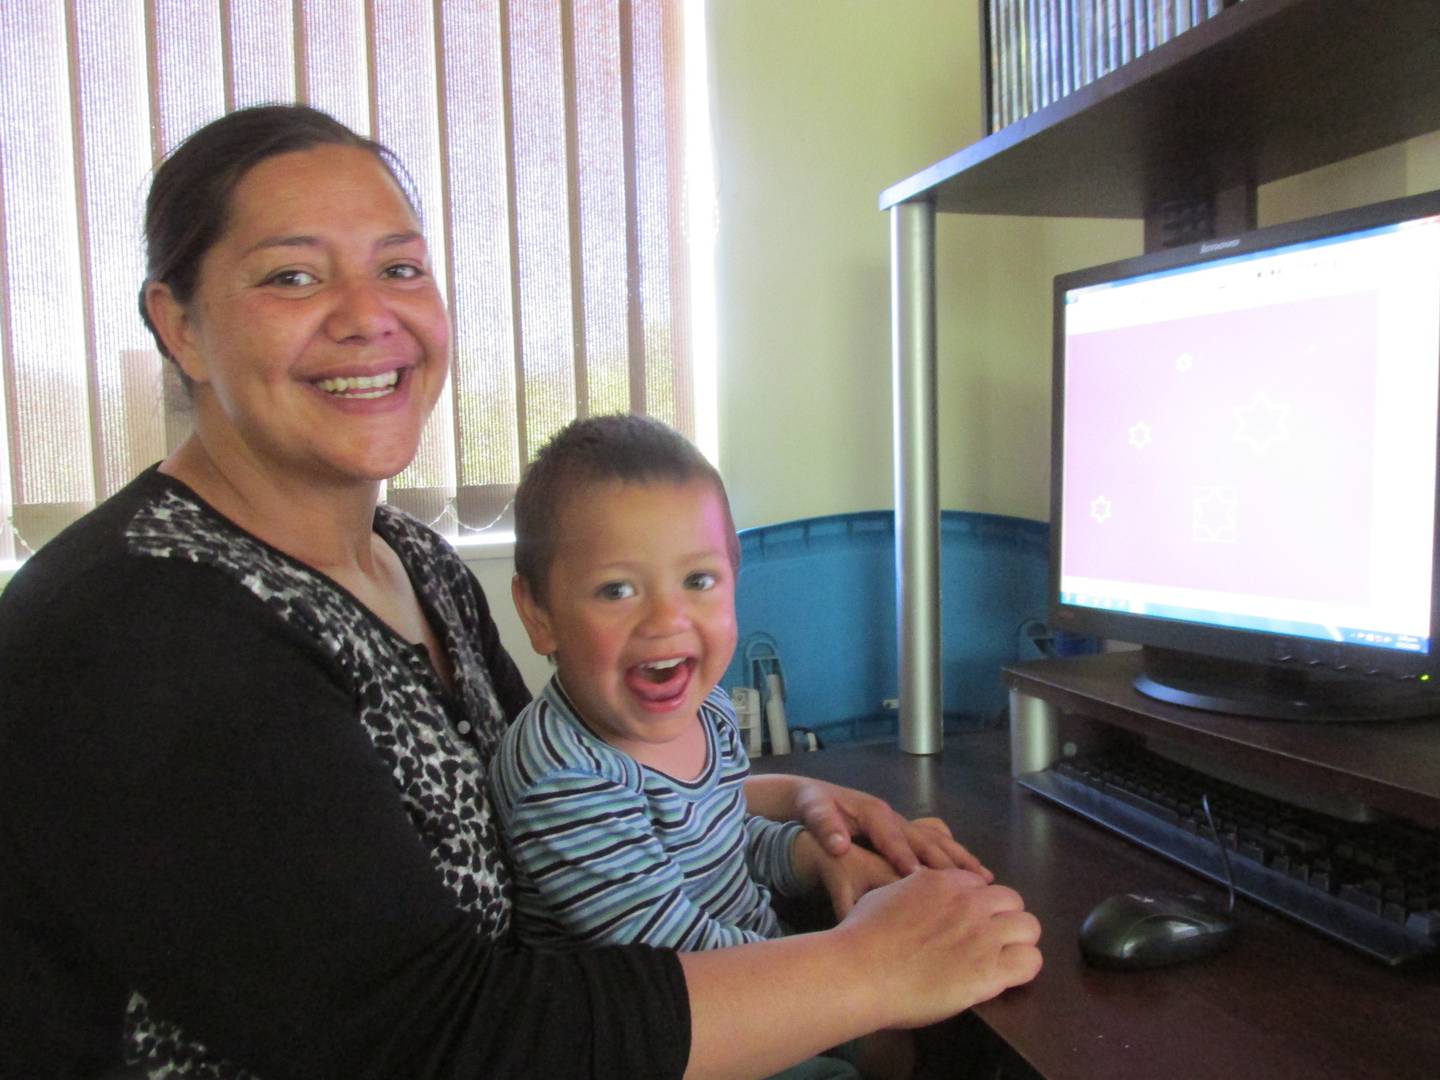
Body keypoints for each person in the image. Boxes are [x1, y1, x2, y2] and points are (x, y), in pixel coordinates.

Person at [0, 104, 1042, 1080]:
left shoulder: (417, 564)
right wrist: (868, 972)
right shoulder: (138, 628)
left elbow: (543, 808)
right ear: (178, 325)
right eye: (292, 279)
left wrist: (806, 811)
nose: (370, 318)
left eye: (400, 267)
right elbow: (437, 1038)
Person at [493, 413, 985, 1079]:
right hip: (670, 1040)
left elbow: (729, 845)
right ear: (539, 614)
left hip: (758, 980)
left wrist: (820, 859)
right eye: (618, 590)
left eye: (699, 581)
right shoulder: (565, 774)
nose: (667, 621)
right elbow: (674, 957)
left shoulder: (709, 711)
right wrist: (859, 975)